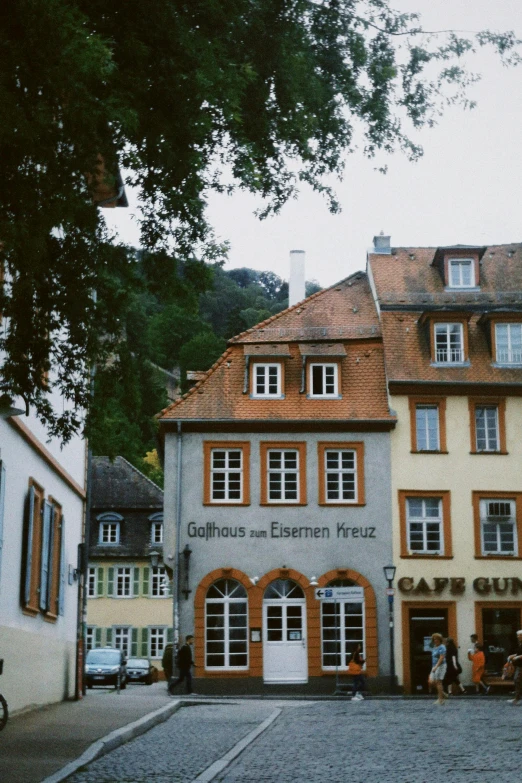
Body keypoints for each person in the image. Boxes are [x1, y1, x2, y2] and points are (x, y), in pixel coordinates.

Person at [429, 632, 447, 705]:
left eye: (436, 639)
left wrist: (436, 666)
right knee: (431, 681)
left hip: (441, 666)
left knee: (438, 682)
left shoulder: (442, 647)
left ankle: (440, 700)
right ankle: (443, 694)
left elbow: (441, 657)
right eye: (434, 639)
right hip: (434, 665)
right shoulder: (434, 647)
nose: (435, 640)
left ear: (440, 640)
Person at [507, 629, 522, 706]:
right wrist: (512, 656)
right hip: (519, 665)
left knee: (517, 680)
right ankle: (517, 697)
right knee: (517, 680)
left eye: (519, 635)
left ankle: (517, 698)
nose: (518, 637)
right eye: (517, 635)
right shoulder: (520, 644)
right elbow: (519, 652)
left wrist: (518, 657)